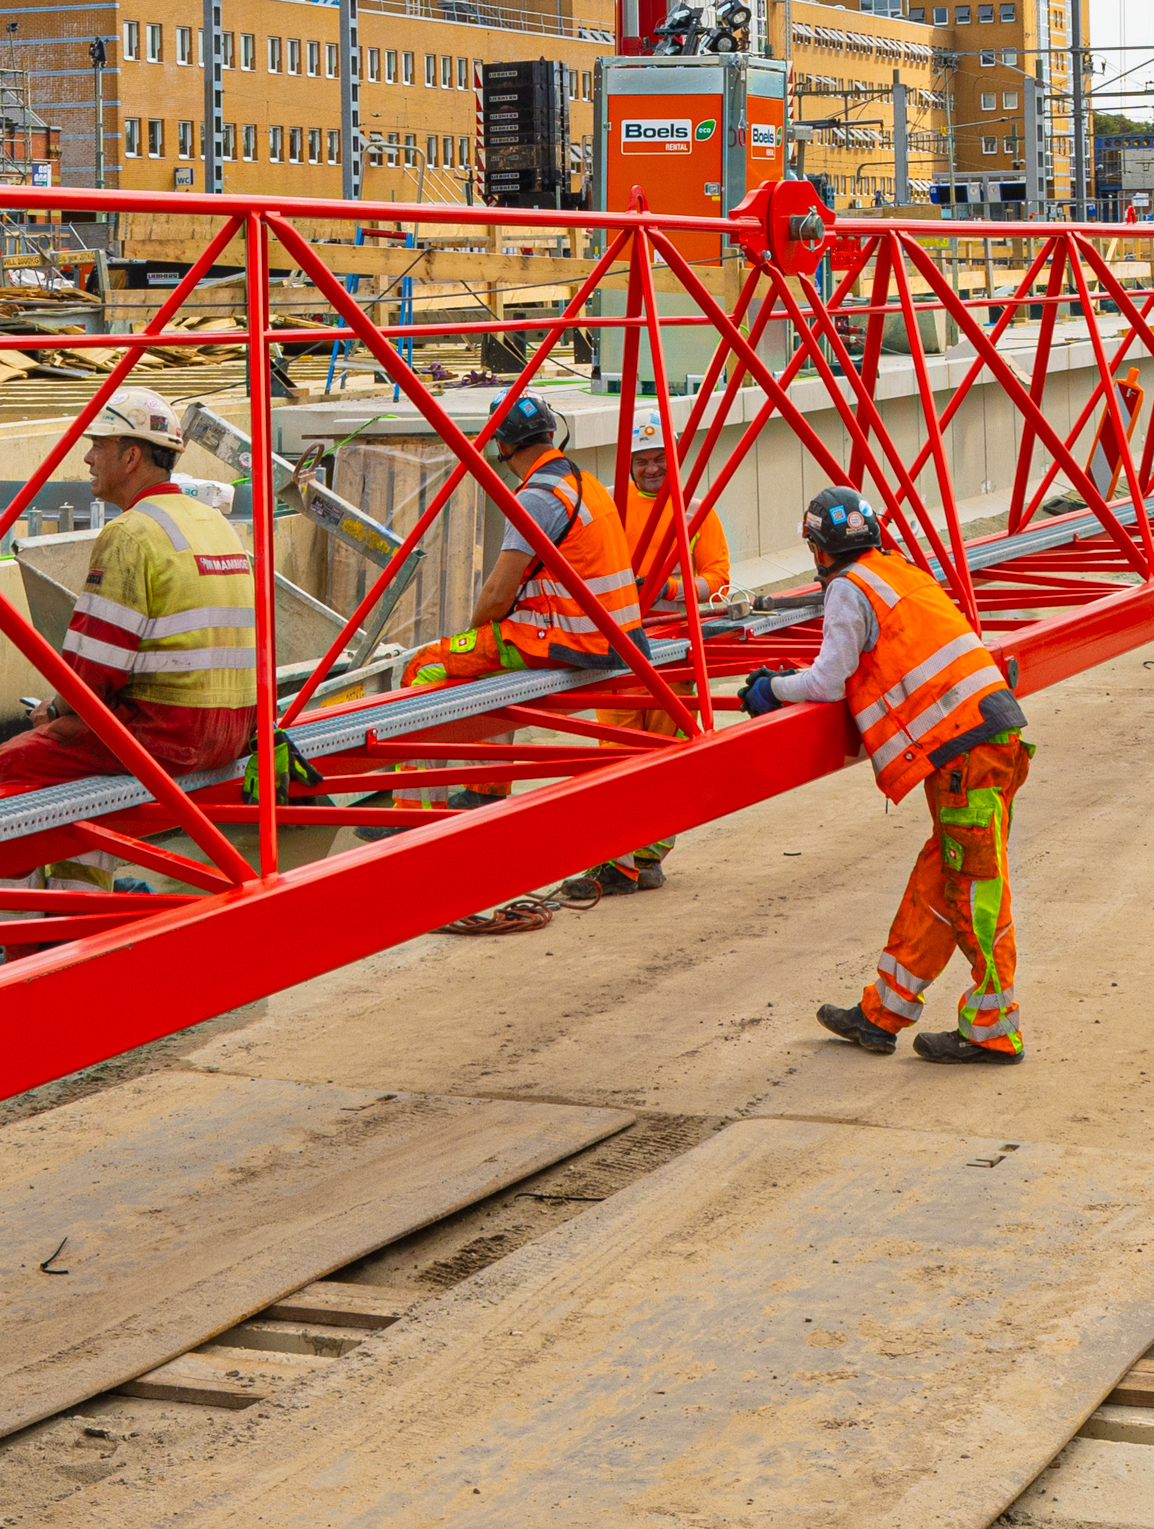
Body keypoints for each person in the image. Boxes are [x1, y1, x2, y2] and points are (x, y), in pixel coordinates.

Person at [742, 485, 1030, 1064]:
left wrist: (772, 688)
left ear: (819, 548)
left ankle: (993, 1031)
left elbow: (828, 681)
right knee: (938, 883)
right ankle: (882, 1015)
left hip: (965, 752)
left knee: (974, 891)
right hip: (984, 741)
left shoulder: (848, 588)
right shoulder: (897, 570)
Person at [0, 394, 265, 912]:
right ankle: (81, 912)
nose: (89, 457)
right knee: (78, 786)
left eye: (99, 445)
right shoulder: (212, 523)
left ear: (131, 456)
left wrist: (54, 711)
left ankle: (18, 937)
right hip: (233, 730)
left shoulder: (131, 534)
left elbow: (92, 672)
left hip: (168, 736)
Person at [395, 390, 677, 925]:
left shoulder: (537, 497)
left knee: (427, 665)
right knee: (486, 664)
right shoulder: (585, 484)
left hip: (563, 638)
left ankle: (413, 817)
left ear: (503, 449)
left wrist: (474, 637)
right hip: (615, 639)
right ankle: (482, 791)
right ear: (552, 434)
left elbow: (497, 595)